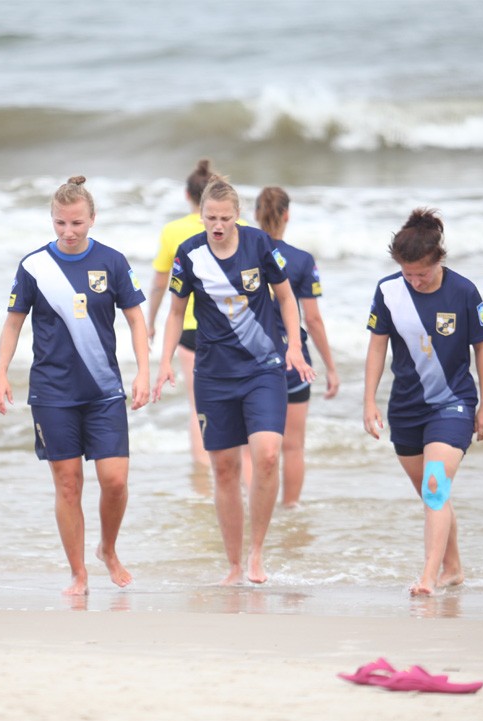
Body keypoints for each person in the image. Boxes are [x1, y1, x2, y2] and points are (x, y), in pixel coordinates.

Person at [152, 176, 314, 585]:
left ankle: (257, 553)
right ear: (201, 215)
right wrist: (165, 361)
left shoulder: (260, 245)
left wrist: (294, 345)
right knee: (223, 470)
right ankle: (234, 564)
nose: (218, 225)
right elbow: (175, 314)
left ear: (237, 216)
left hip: (263, 367)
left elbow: (286, 298)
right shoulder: (189, 254)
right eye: (210, 218)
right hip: (214, 374)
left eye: (225, 218)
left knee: (267, 454)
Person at [0, 176, 150, 597]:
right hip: (53, 392)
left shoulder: (113, 262)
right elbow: (13, 324)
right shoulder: (33, 266)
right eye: (60, 223)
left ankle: (108, 550)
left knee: (114, 480)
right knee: (67, 484)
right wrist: (1, 374)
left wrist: (144, 372)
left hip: (104, 390)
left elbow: (136, 319)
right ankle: (78, 573)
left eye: (77, 223)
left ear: (92, 219)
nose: (68, 232)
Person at [362, 208, 483, 596]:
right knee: (432, 494)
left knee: (436, 487)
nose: (415, 280)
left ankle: (428, 577)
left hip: (453, 403)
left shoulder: (464, 292)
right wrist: (368, 400)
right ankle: (453, 567)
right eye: (408, 273)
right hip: (405, 407)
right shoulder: (388, 291)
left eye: (422, 272)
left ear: (439, 259)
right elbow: (376, 348)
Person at [254, 186, 340, 507]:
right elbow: (313, 320)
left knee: (254, 447)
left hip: (251, 359)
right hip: (294, 360)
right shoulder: (302, 260)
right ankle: (289, 510)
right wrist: (330, 367)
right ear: (287, 215)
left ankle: (256, 508)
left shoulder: (244, 255)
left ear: (254, 214)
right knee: (293, 446)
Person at [146, 158, 219, 470]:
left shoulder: (172, 231)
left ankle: (203, 474)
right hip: (229, 328)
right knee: (233, 405)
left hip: (188, 329)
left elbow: (161, 282)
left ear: (188, 196)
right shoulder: (235, 226)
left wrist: (150, 322)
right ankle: (235, 474)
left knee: (197, 407)